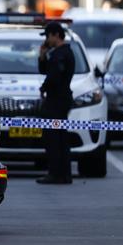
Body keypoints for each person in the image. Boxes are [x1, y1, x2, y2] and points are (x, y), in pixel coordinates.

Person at [37, 22, 75, 184]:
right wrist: (42, 56)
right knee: (60, 138)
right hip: (60, 99)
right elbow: (45, 70)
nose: (46, 39)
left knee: (53, 138)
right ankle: (63, 174)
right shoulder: (59, 53)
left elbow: (54, 77)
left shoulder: (61, 54)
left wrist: (43, 88)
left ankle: (56, 173)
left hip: (56, 101)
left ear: (56, 35)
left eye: (48, 36)